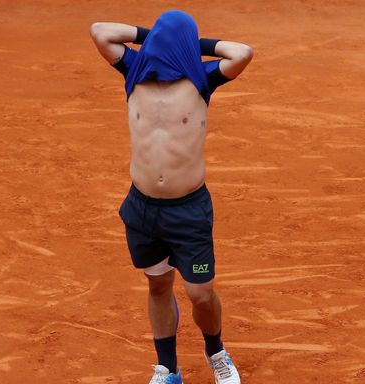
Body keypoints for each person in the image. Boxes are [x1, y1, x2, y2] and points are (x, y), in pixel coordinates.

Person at [90, 10, 253, 384]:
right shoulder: (134, 72)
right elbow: (100, 31)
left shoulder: (202, 79)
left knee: (200, 293)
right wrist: (157, 38)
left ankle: (216, 351)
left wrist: (187, 45)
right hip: (143, 208)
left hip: (188, 212)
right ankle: (168, 370)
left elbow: (241, 53)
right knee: (158, 284)